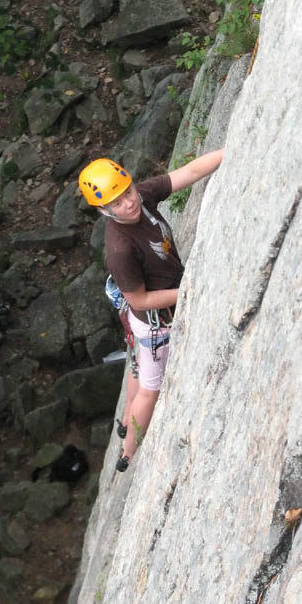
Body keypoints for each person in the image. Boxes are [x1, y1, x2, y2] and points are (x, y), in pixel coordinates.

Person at [78, 150, 224, 472]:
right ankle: (128, 450)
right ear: (103, 210)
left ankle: (123, 425)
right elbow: (140, 301)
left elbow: (186, 174)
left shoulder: (140, 197)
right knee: (150, 388)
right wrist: (189, 290)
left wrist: (227, 153)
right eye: (117, 202)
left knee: (136, 367)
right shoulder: (119, 250)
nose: (128, 203)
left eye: (127, 192)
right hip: (156, 324)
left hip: (147, 317)